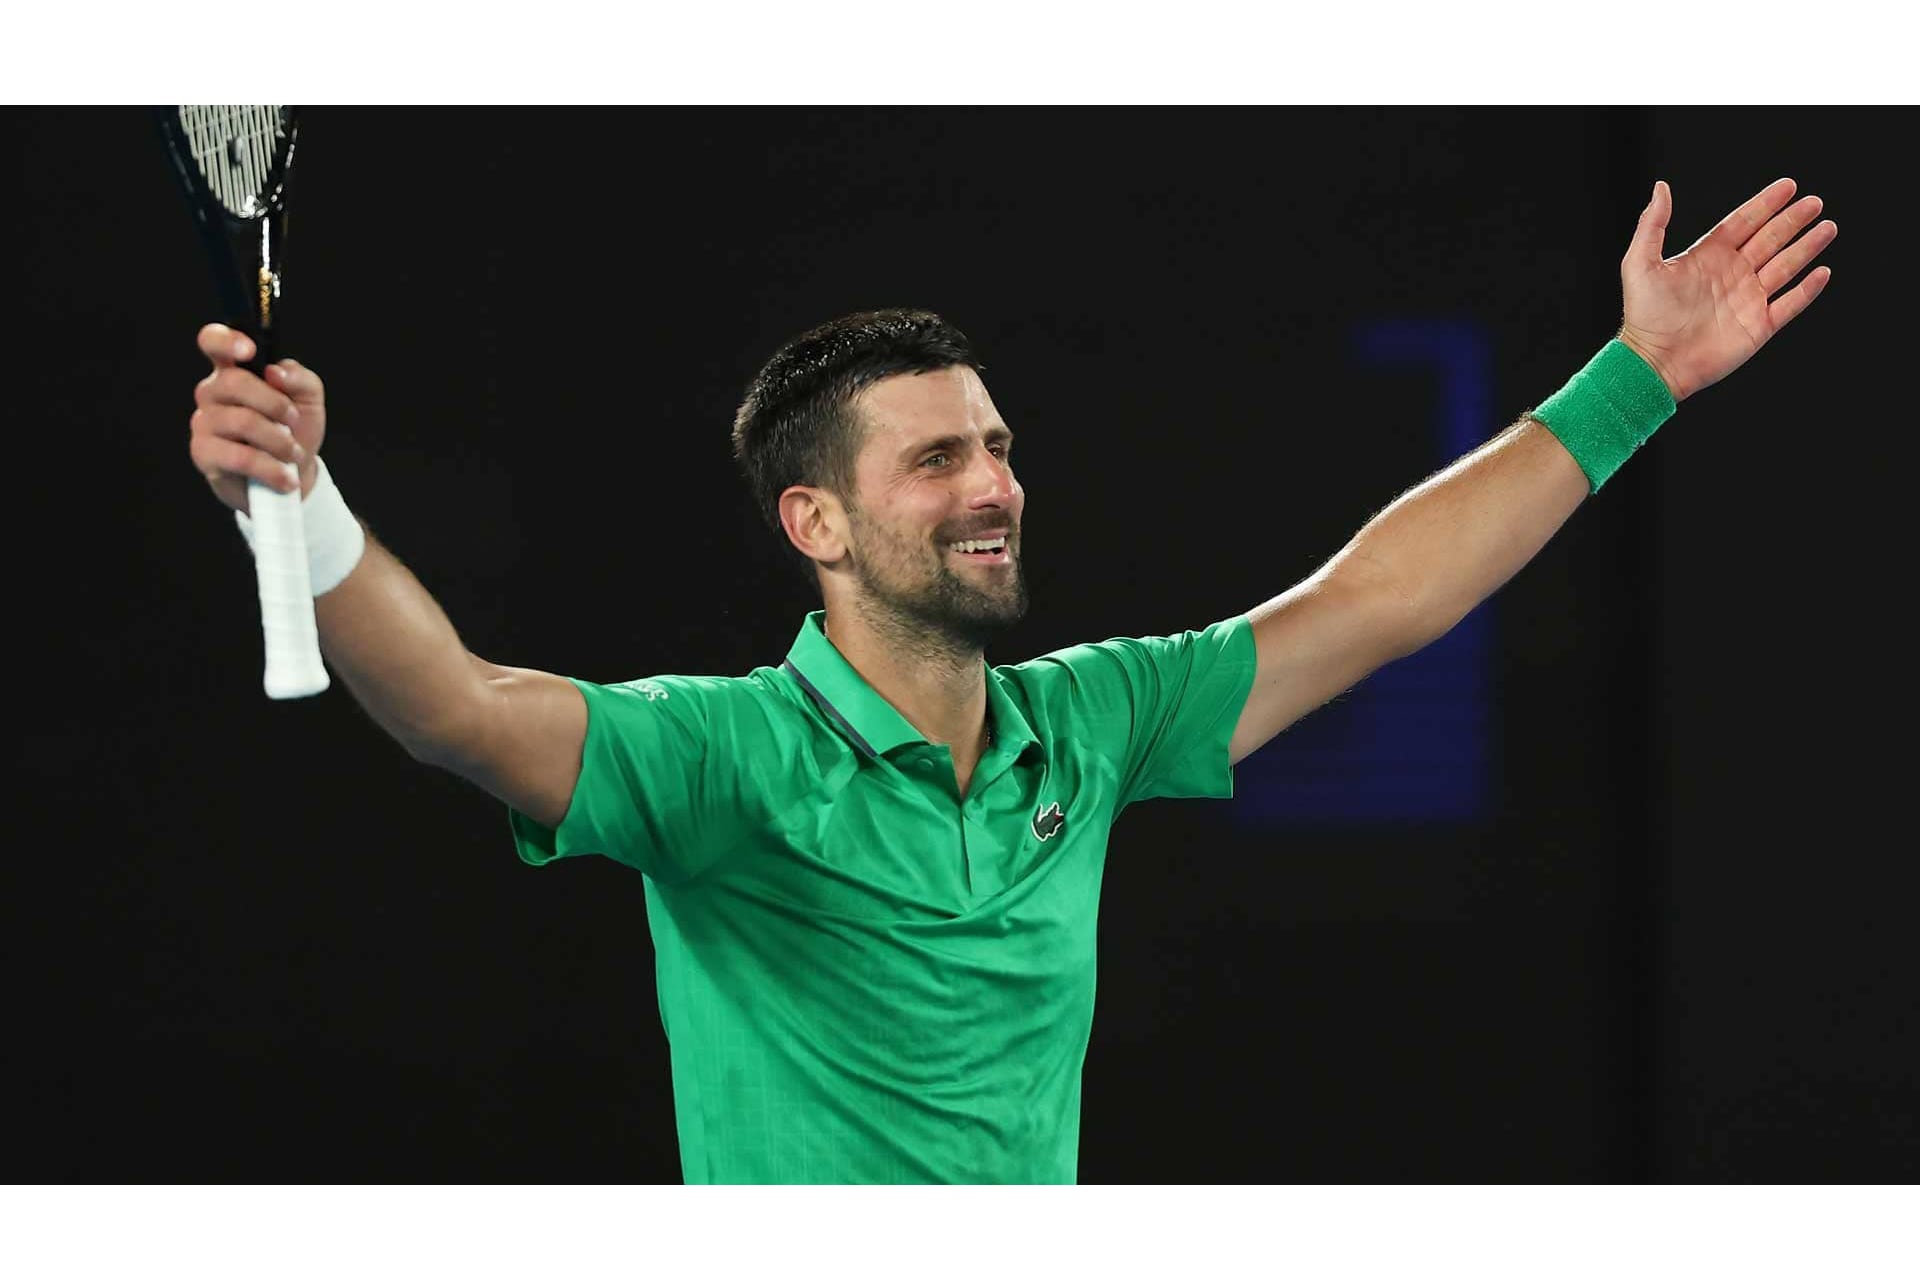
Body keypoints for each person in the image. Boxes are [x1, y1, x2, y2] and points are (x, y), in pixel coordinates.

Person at [185, 177, 1835, 1183]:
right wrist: (308, 503)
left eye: (998, 446)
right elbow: (459, 707)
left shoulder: (1092, 723)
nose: (993, 485)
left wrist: (1640, 381)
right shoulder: (724, 759)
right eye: (936, 461)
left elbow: (1377, 604)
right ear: (811, 519)